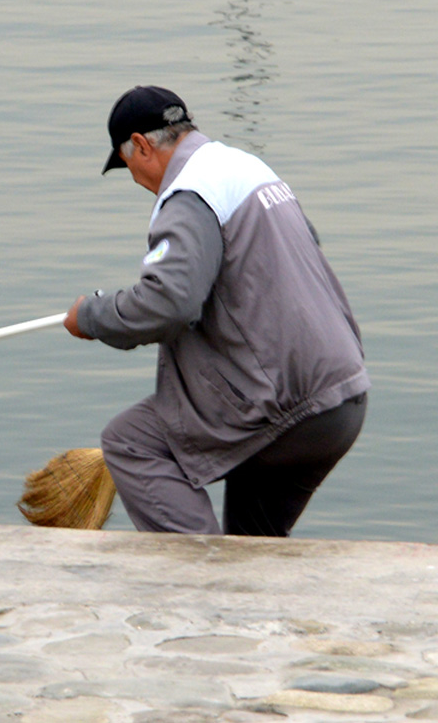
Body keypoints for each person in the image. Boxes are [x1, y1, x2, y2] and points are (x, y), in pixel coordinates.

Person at [64, 85, 370, 537]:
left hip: (283, 404)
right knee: (253, 549)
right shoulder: (250, 169)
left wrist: (90, 316)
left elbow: (169, 303)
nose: (135, 181)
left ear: (143, 145)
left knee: (130, 442)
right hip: (341, 399)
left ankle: (201, 582)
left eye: (127, 165)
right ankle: (237, 598)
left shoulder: (190, 192)